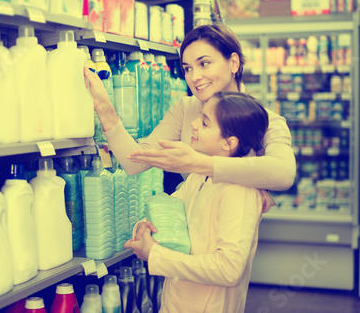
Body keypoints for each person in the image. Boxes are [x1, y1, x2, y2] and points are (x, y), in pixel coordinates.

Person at [84, 23, 295, 191]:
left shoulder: (267, 120)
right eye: (187, 68)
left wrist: (196, 162)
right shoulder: (185, 110)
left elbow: (283, 174)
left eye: (204, 64)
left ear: (233, 63)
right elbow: (135, 162)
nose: (194, 77)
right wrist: (105, 109)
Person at [124, 91, 276, 313]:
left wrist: (156, 255)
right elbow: (168, 210)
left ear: (229, 143)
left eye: (204, 123)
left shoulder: (240, 193)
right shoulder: (199, 175)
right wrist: (143, 227)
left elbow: (229, 269)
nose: (193, 124)